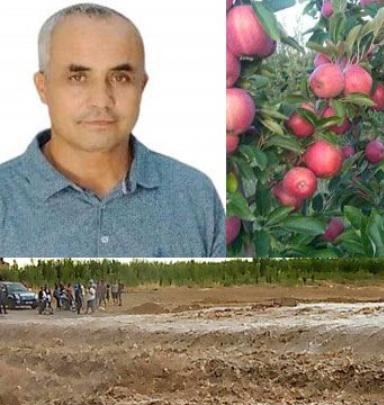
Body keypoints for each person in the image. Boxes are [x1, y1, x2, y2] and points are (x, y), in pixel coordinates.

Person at [0, 3, 224, 257]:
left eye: (120, 78)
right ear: (43, 87)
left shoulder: (194, 196)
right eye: (78, 78)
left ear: (142, 85)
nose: (101, 100)